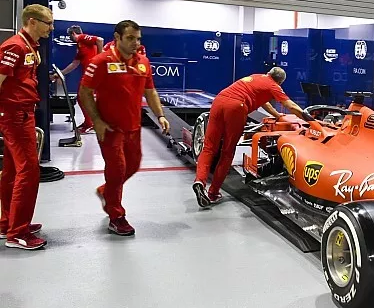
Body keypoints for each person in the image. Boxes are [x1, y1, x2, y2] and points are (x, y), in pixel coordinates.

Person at [79, 20, 169, 236]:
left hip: (133, 127)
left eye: (138, 39)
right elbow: (84, 92)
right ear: (117, 38)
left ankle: (106, 191)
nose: (135, 43)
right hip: (110, 129)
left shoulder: (143, 62)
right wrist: (97, 121)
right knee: (117, 169)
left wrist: (161, 115)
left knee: (133, 165)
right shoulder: (101, 61)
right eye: (130, 38)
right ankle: (116, 215)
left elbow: (150, 91)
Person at [192, 67, 308, 208]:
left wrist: (277, 115)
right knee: (227, 151)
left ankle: (199, 181)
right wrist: (310, 120)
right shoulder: (274, 86)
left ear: (268, 73)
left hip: (219, 100)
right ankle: (213, 193)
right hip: (236, 107)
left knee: (209, 147)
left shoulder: (256, 76)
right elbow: (291, 105)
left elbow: (263, 101)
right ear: (280, 82)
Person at [0, 4, 54, 250]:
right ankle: (18, 233)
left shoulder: (30, 46)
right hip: (15, 115)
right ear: (32, 21)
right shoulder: (15, 46)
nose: (51, 28)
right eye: (47, 23)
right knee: (29, 172)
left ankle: (8, 223)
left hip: (21, 114)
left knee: (12, 171)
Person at [54, 25, 103, 133]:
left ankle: (90, 124)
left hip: (92, 74)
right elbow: (75, 63)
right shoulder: (80, 46)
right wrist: (61, 73)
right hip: (87, 74)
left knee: (82, 97)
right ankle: (88, 122)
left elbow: (100, 40)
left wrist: (100, 59)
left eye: (69, 36)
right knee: (81, 98)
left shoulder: (81, 37)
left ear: (72, 34)